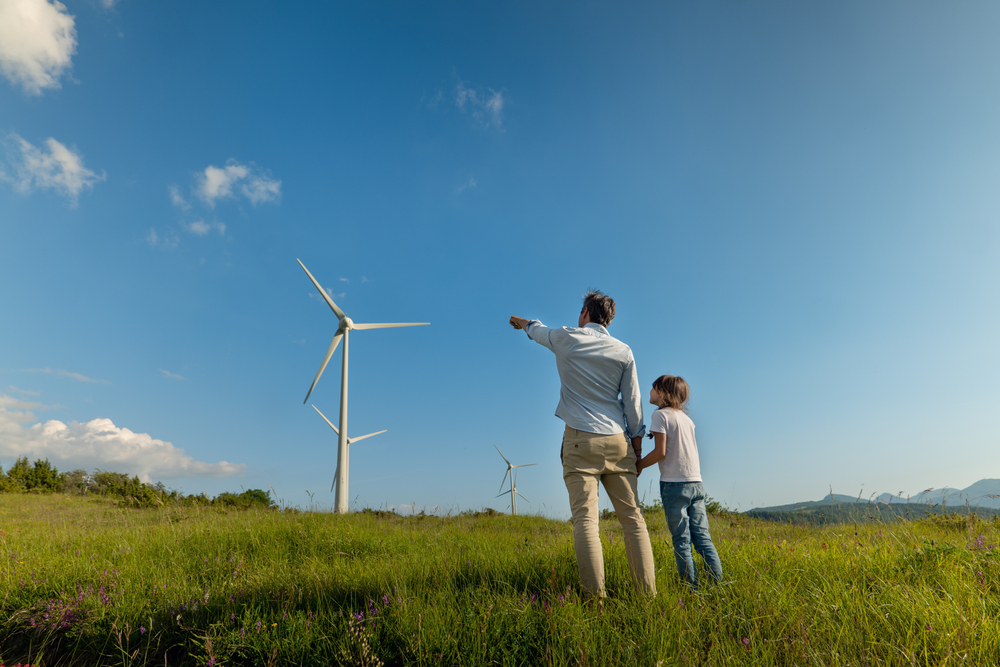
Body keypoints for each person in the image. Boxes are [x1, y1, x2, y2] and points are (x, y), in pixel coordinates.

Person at [509, 291, 656, 599]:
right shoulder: (624, 351)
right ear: (610, 319)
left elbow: (537, 331)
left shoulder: (566, 338)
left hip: (580, 439)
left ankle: (596, 602)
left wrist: (523, 322)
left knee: (587, 523)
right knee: (633, 521)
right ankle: (647, 598)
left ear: (586, 313)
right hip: (618, 440)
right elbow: (633, 402)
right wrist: (637, 445)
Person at [636, 375, 722, 589]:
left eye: (653, 388)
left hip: (674, 485)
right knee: (702, 537)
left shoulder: (660, 415)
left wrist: (638, 465)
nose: (650, 392)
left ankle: (690, 589)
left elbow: (660, 452)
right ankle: (716, 585)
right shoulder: (686, 418)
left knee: (681, 540)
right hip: (696, 483)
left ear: (663, 393)